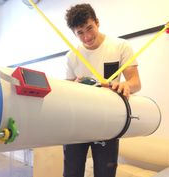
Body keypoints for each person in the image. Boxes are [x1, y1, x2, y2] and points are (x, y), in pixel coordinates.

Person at [63, 3, 141, 177]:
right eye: (80, 32)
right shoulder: (71, 56)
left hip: (109, 120)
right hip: (77, 120)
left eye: (89, 28)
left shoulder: (121, 46)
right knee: (71, 173)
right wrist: (72, 87)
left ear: (97, 22)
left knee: (105, 173)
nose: (87, 36)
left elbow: (136, 82)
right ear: (74, 33)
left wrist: (126, 85)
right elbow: (66, 91)